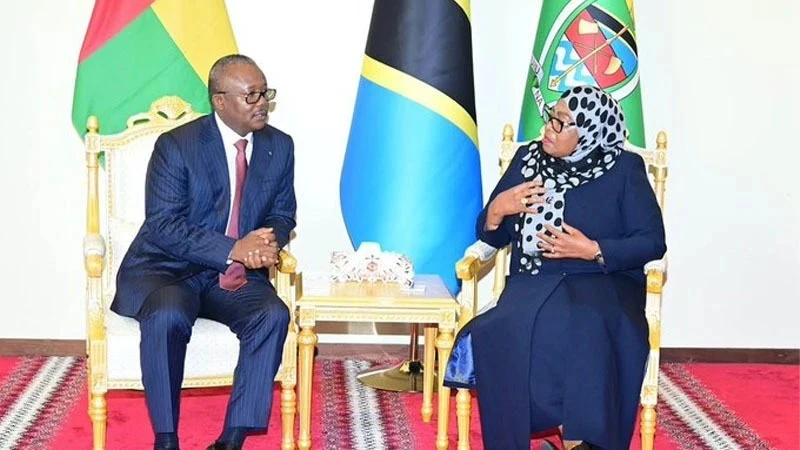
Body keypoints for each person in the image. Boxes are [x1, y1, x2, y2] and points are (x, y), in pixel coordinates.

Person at [444, 85, 666, 450]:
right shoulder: (527, 160)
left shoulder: (625, 168)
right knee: (505, 328)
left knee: (587, 324)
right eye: (552, 117)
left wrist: (594, 249)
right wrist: (499, 208)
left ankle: (582, 439)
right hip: (533, 280)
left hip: (603, 280)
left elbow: (652, 241)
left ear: (590, 132)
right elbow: (491, 234)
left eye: (562, 123)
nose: (548, 127)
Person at [110, 54, 296, 450]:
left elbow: (283, 212)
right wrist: (235, 248)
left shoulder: (278, 146)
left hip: (228, 277)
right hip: (168, 268)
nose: (262, 102)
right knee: (167, 314)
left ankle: (232, 439)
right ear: (220, 101)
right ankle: (166, 438)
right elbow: (163, 225)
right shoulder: (177, 146)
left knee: (272, 314)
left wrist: (267, 242)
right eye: (251, 95)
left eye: (266, 93)